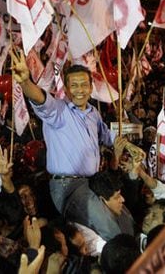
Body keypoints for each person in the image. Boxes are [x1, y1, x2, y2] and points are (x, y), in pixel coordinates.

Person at [11, 50, 127, 238]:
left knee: (123, 216)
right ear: (66, 88)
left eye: (83, 85)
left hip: (92, 183)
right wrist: (25, 82)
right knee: (108, 226)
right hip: (68, 187)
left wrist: (127, 146)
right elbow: (40, 99)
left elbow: (108, 136)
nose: (79, 90)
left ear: (91, 88)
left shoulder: (94, 114)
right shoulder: (59, 111)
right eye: (74, 85)